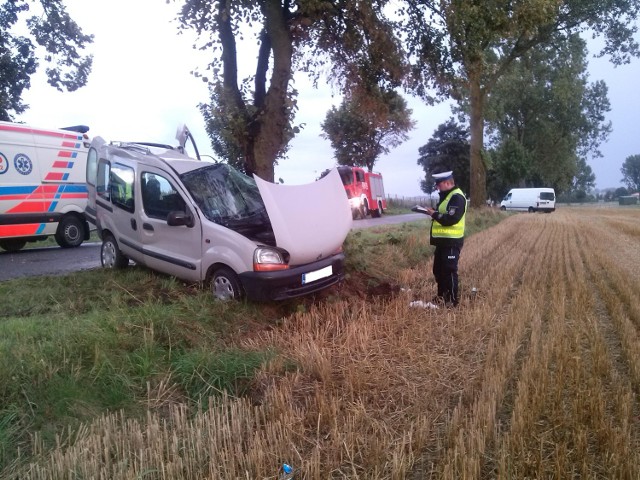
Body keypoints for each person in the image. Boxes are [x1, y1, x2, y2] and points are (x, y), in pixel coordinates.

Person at [413, 170, 467, 308]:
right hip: (442, 241)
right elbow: (444, 214)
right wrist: (433, 212)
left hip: (451, 241)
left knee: (449, 270)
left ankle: (452, 301)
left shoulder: (457, 197)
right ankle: (441, 296)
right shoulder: (447, 196)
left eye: (439, 184)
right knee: (438, 270)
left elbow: (451, 219)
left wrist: (434, 214)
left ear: (448, 182)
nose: (437, 187)